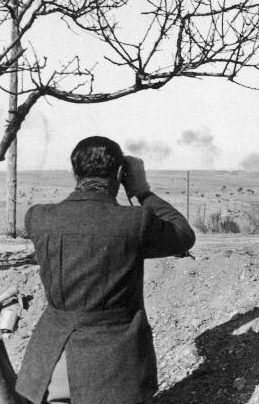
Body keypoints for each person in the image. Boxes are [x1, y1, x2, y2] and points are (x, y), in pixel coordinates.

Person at [16, 136, 195, 404]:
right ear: (122, 174)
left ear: (74, 172)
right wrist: (142, 190)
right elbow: (183, 235)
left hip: (48, 368)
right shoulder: (135, 222)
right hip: (112, 372)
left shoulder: (38, 217)